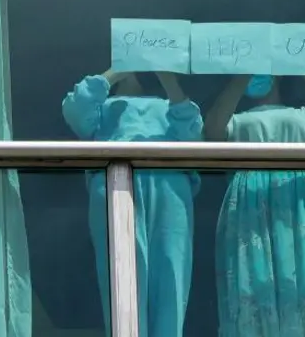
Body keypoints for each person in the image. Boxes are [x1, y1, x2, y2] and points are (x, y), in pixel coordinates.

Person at [205, 74, 305, 336]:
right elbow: (213, 130)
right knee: (253, 282)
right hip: (250, 202)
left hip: (293, 199)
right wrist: (242, 77)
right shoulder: (236, 120)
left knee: (303, 280)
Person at [62, 70, 202, 337]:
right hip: (117, 181)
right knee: (121, 274)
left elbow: (193, 133)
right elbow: (75, 111)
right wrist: (116, 71)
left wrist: (166, 75)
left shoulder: (169, 106)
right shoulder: (103, 108)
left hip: (170, 185)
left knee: (171, 275)